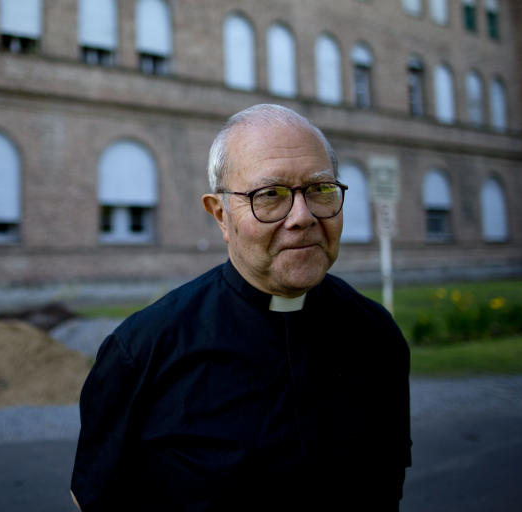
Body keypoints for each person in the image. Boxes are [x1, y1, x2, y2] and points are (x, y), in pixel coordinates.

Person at [71, 104, 411, 511]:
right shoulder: (142, 352)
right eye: (270, 195)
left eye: (320, 190)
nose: (302, 217)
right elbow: (95, 499)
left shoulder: (376, 334)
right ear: (221, 215)